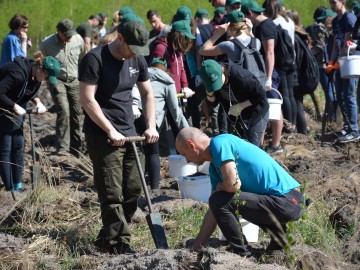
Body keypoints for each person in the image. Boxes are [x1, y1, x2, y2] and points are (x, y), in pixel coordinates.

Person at [78, 20, 159, 254]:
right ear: (120, 38)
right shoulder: (95, 59)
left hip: (129, 131)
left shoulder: (137, 58)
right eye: (132, 47)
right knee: (111, 193)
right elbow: (87, 100)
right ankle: (118, 243)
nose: (135, 53)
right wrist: (109, 130)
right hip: (101, 134)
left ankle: (106, 237)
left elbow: (147, 94)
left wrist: (150, 125)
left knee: (133, 189)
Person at [175, 127, 304, 255]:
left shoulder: (219, 143)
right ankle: (281, 238)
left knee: (220, 199)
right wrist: (196, 247)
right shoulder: (214, 168)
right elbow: (214, 210)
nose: (186, 160)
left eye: (184, 154)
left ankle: (242, 252)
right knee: (219, 201)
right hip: (283, 202)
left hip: (288, 200)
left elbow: (233, 184)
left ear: (191, 145)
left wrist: (221, 188)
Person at [0, 52, 60, 191]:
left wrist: (38, 102)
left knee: (19, 144)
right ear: (40, 68)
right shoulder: (17, 72)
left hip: (15, 109)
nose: (45, 81)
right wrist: (14, 106)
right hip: (3, 108)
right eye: (46, 77)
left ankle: (17, 185)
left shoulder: (35, 76)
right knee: (5, 147)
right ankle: (9, 190)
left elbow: (30, 89)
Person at [132, 58, 189, 189]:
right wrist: (189, 132)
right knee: (153, 153)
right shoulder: (167, 82)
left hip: (133, 113)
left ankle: (136, 183)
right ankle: (154, 188)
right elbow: (177, 114)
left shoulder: (140, 75)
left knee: (137, 151)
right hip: (150, 118)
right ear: (166, 69)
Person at [39, 19, 86, 156]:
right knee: (64, 111)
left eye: (70, 34)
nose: (69, 37)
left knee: (76, 113)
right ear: (58, 31)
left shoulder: (78, 40)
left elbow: (83, 57)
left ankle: (76, 148)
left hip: (74, 81)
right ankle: (63, 148)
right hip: (57, 81)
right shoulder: (46, 44)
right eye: (66, 35)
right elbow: (41, 61)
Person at [241, 1, 284, 154]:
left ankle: (276, 144)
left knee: (273, 105)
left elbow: (269, 53)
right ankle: (261, 142)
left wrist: (268, 77)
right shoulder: (260, 26)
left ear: (250, 14)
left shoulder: (266, 26)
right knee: (264, 106)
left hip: (270, 73)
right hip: (266, 72)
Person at [200, 59, 269, 147]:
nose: (217, 86)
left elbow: (261, 95)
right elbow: (213, 104)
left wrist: (240, 106)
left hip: (256, 111)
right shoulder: (209, 82)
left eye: (217, 82)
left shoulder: (241, 76)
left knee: (252, 147)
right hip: (236, 116)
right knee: (238, 147)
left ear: (222, 70)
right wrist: (210, 93)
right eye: (212, 85)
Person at [326, 0, 359, 143]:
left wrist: (338, 62)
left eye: (334, 2)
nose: (332, 5)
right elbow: (335, 43)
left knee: (348, 95)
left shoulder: (349, 18)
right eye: (330, 3)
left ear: (343, 2)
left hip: (349, 61)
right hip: (340, 61)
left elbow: (348, 43)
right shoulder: (335, 21)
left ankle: (354, 129)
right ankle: (347, 125)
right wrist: (331, 62)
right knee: (339, 95)